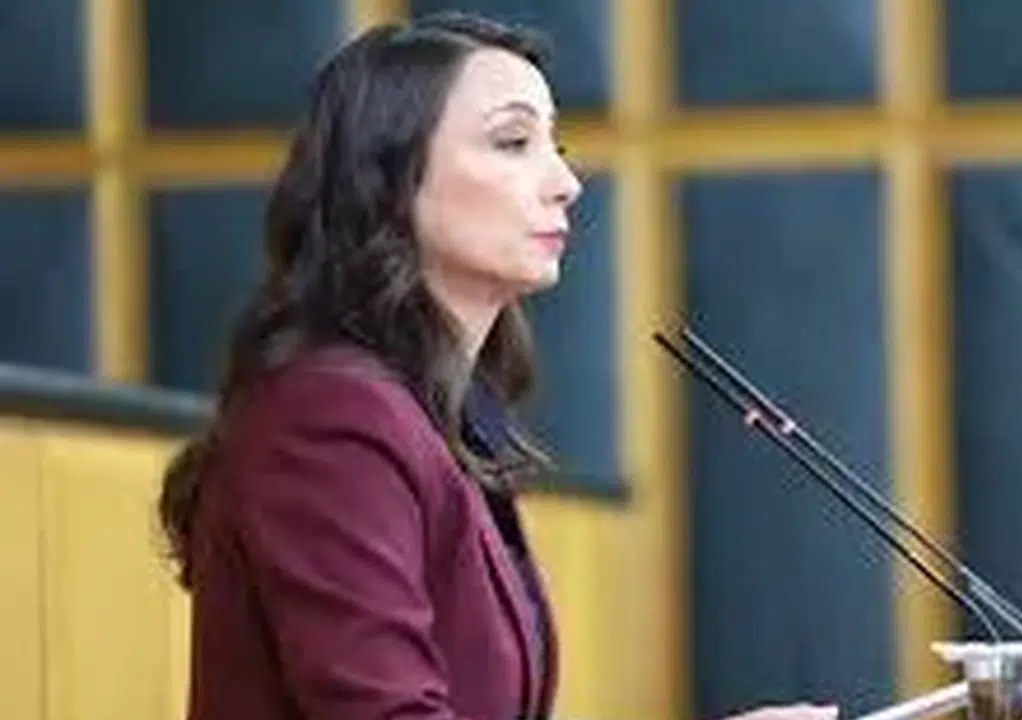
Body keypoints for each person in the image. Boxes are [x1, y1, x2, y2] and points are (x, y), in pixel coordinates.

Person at [156, 11, 839, 720]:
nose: (566, 182)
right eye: (514, 142)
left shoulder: (436, 415)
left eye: (556, 145)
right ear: (387, 179)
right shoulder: (331, 419)